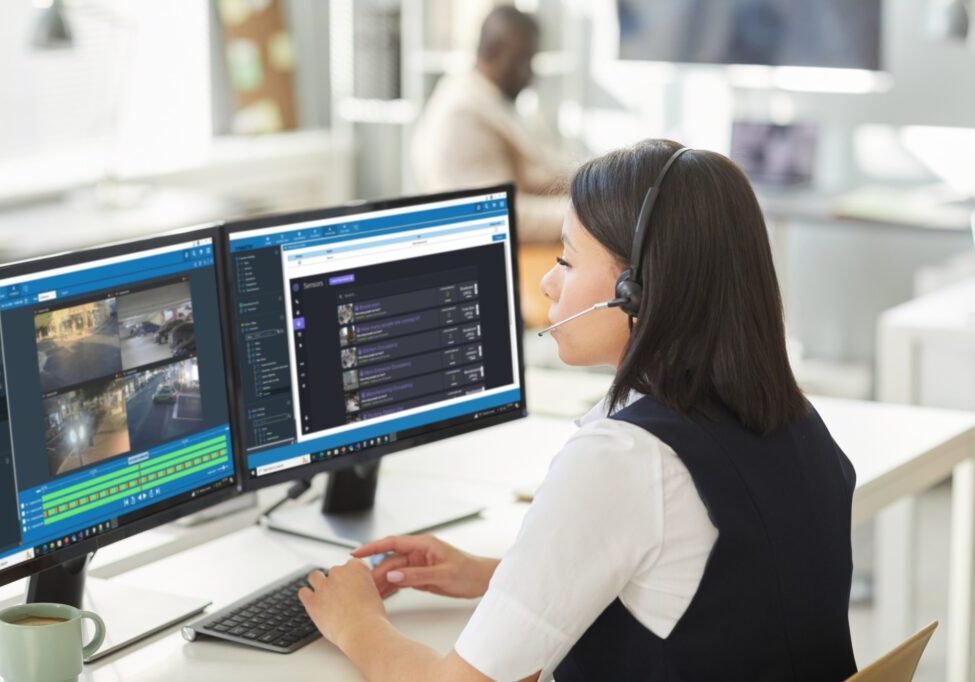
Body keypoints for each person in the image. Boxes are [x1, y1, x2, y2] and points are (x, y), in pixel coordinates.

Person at [297, 139, 858, 681]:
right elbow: (710, 598)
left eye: (566, 259)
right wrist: (496, 579)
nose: (546, 281)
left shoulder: (626, 459)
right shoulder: (796, 421)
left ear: (634, 289)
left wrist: (358, 622)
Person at [410, 6, 569, 243]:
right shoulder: (461, 114)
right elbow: (496, 215)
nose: (529, 73)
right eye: (522, 60)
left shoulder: (491, 96)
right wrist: (588, 216)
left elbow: (540, 170)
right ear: (490, 51)